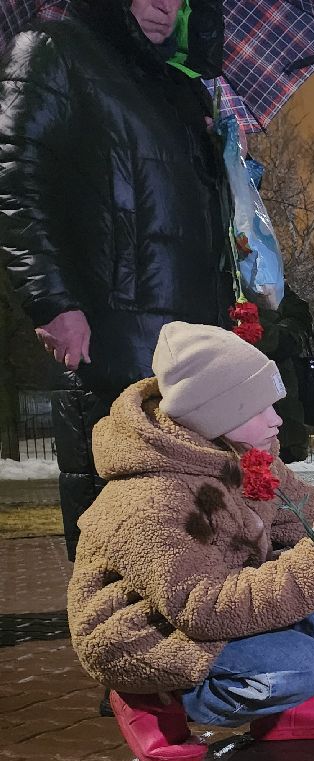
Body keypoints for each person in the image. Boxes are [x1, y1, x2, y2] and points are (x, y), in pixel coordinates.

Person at [65, 322, 314, 761]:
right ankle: (153, 698)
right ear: (215, 412)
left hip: (222, 602)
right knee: (302, 665)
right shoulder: (149, 500)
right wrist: (310, 574)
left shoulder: (237, 457)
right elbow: (200, 607)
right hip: (150, 634)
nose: (277, 419)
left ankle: (287, 714)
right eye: (260, 407)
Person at [0, 0, 232, 558]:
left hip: (195, 343)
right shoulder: (55, 47)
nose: (164, 6)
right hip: (109, 336)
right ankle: (116, 641)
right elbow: (12, 174)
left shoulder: (180, 86)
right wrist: (51, 300)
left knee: (191, 527)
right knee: (118, 518)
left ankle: (184, 641)